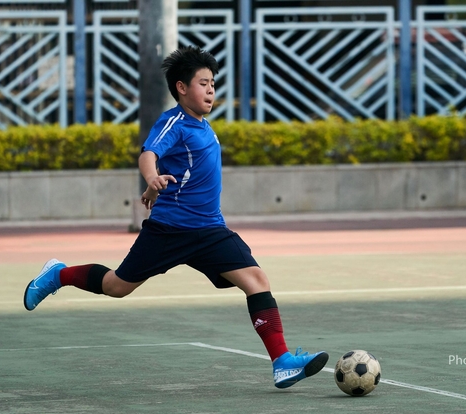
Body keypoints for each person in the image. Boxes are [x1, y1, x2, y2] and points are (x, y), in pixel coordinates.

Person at [23, 45, 328, 389]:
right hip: (170, 230)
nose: (211, 89)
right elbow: (149, 153)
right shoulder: (175, 123)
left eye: (213, 82)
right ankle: (58, 275)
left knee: (257, 280)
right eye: (203, 83)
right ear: (182, 88)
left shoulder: (204, 125)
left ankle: (282, 362)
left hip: (211, 230)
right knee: (116, 286)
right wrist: (152, 177)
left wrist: (156, 186)